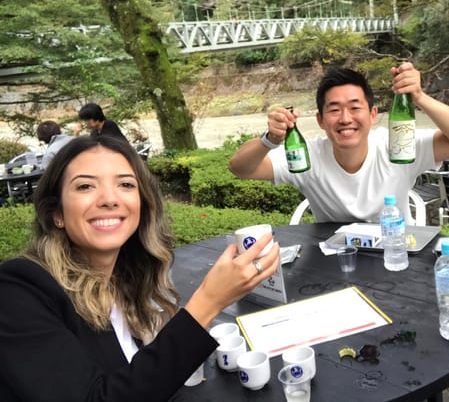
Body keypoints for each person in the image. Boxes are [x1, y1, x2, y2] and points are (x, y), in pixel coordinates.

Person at [0, 135, 280, 401]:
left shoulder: (127, 278)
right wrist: (208, 301)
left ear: (142, 204)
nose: (109, 199)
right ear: (56, 214)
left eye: (125, 185)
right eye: (85, 186)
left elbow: (140, 378)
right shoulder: (17, 292)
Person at [229, 62, 449, 223]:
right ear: (320, 120)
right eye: (334, 110)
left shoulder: (397, 145)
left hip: (396, 255)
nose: (345, 119)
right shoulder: (307, 156)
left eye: (355, 107)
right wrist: (270, 139)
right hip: (333, 263)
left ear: (372, 115)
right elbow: (240, 168)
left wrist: (420, 97)